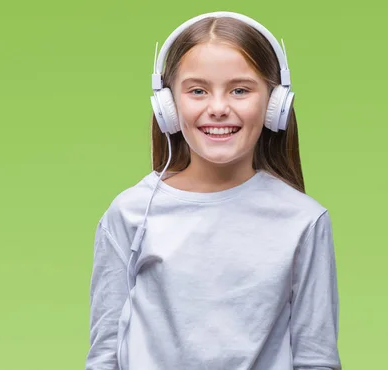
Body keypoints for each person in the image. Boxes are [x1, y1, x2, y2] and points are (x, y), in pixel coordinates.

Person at [85, 11, 341, 370]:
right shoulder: (131, 213)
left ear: (274, 104)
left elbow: (316, 359)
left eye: (240, 90)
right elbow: (104, 355)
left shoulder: (304, 221)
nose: (218, 108)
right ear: (168, 107)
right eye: (197, 90)